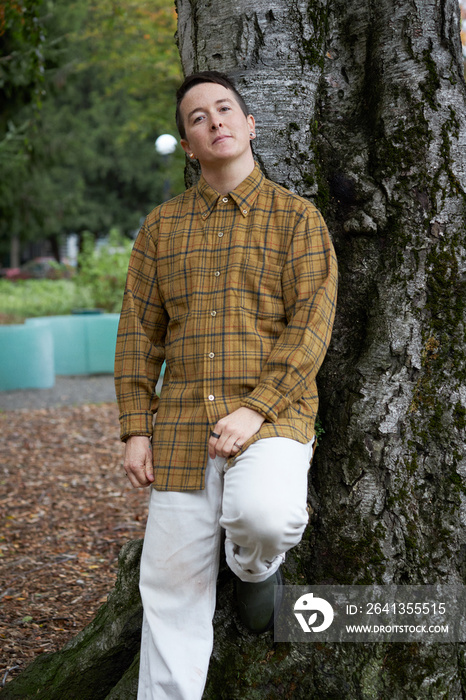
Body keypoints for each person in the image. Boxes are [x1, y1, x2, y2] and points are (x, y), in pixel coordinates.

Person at [114, 70, 337, 700]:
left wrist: (255, 409)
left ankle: (253, 574)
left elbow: (311, 329)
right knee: (169, 590)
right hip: (182, 429)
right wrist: (135, 428)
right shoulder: (160, 230)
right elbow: (138, 335)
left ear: (249, 125)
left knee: (263, 517)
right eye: (197, 117)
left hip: (274, 419)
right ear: (189, 144)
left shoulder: (299, 221)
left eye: (224, 109)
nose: (214, 122)